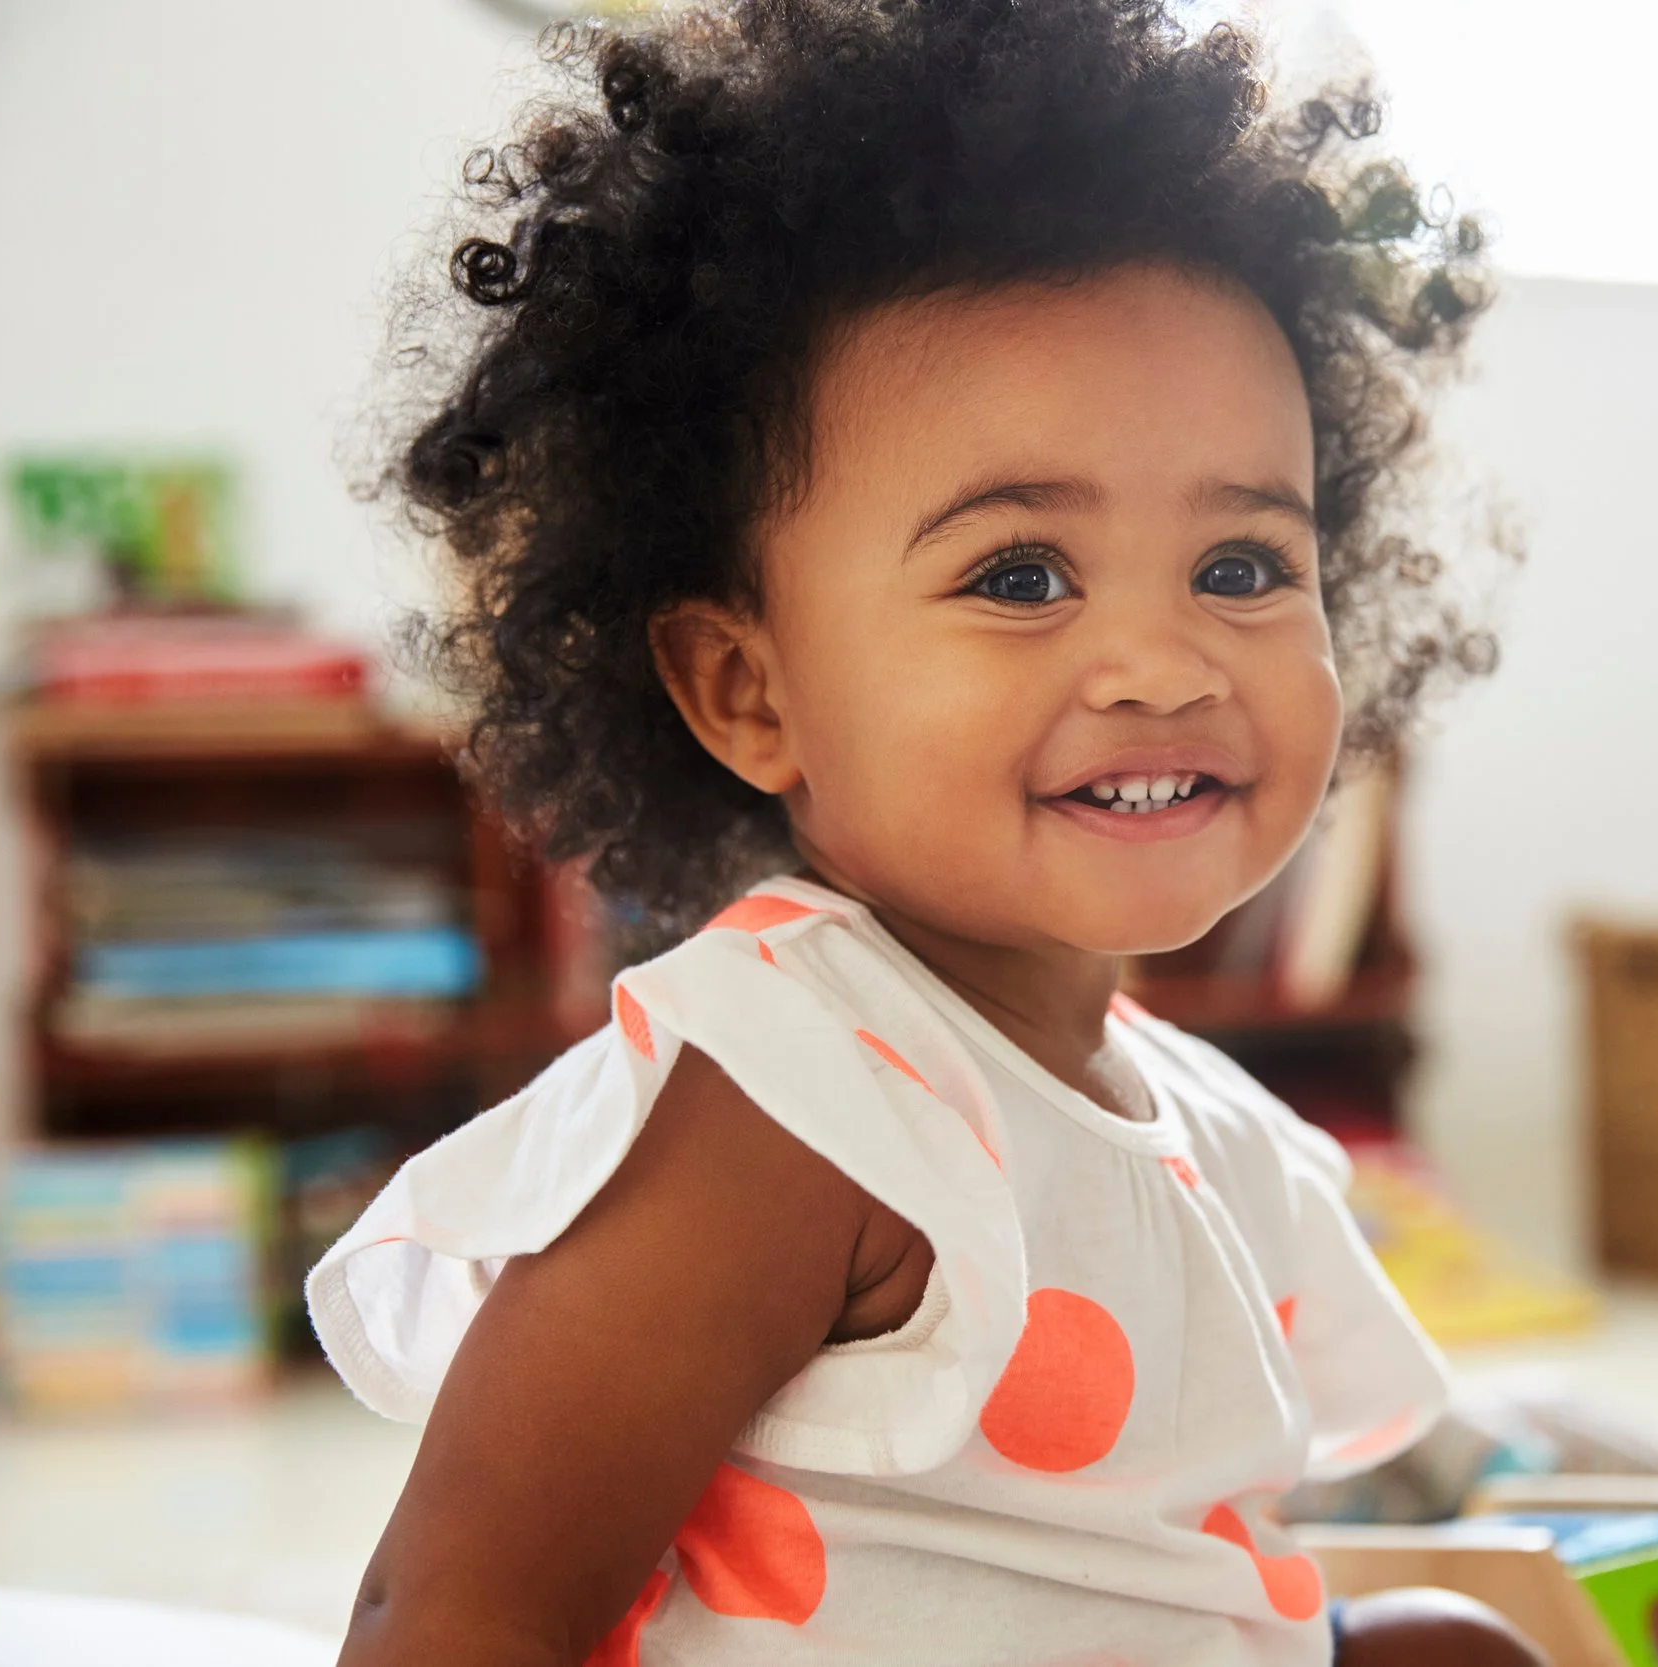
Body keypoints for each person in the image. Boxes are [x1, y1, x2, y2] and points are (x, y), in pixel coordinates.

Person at [310, 3, 1534, 1662]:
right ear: (747, 688)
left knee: (1453, 1643)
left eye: (1242, 566)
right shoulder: (790, 1098)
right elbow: (454, 1607)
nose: (1163, 663)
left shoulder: (1203, 1122)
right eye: (1020, 575)